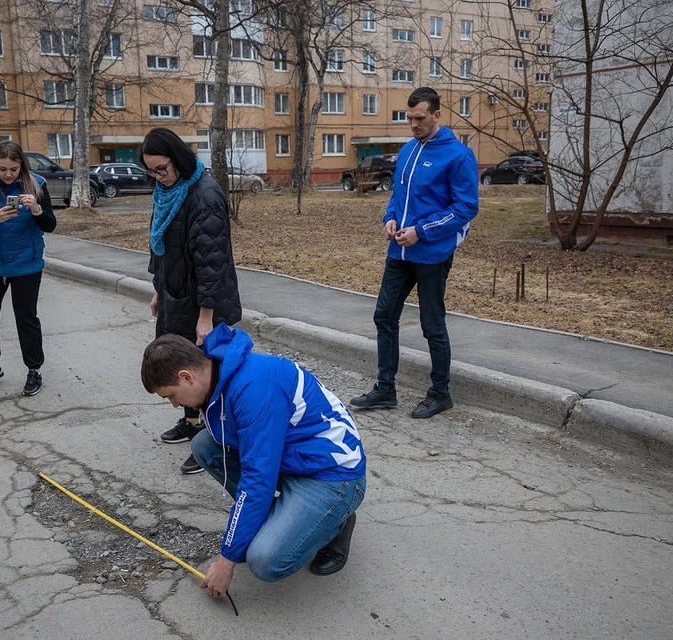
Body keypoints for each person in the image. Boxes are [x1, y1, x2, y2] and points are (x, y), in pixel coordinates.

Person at [141, 325, 366, 598]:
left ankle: (336, 523)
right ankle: (287, 520)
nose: (175, 405)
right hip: (294, 459)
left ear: (186, 376)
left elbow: (258, 477)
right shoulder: (216, 378)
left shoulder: (254, 388)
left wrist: (227, 559)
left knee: (265, 561)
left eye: (171, 396)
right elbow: (253, 463)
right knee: (203, 445)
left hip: (332, 475)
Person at [350, 87, 479, 419]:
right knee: (384, 315)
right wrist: (390, 218)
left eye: (419, 118)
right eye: (409, 118)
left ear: (437, 115)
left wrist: (422, 230)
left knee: (431, 324)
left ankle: (440, 393)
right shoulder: (407, 150)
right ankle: (385, 389)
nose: (413, 124)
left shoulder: (458, 156)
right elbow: (398, 194)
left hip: (432, 254)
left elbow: (465, 208)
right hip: (399, 252)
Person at [140, 127, 241, 475]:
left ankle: (210, 441)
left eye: (161, 169)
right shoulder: (167, 192)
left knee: (203, 371)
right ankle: (190, 420)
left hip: (203, 302)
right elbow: (161, 248)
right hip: (175, 295)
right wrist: (158, 288)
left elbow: (213, 262)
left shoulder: (205, 196)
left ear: (178, 159)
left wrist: (206, 317)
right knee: (177, 366)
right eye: (150, 171)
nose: (157, 177)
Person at [0, 141, 56, 397]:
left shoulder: (37, 183)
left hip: (26, 263)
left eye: (14, 169)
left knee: (25, 318)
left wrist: (37, 209)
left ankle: (34, 370)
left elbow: (50, 225)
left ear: (22, 167)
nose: (8, 174)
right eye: (3, 168)